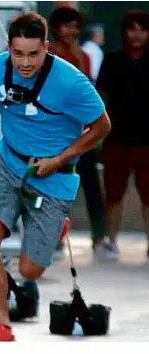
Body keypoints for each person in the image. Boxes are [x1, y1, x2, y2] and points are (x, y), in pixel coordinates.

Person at [0, 12, 111, 341]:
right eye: (18, 53)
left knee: (30, 270)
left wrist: (61, 157)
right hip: (7, 165)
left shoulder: (70, 81)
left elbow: (103, 125)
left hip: (54, 177)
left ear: (46, 47)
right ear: (9, 47)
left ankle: (48, 230)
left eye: (33, 53)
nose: (25, 62)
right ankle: (1, 326)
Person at [48, 7, 107, 256]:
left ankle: (99, 237)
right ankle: (54, 238)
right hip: (54, 132)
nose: (70, 31)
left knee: (92, 185)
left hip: (81, 131)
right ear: (56, 28)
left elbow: (89, 91)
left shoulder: (83, 55)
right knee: (55, 187)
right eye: (66, 26)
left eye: (74, 27)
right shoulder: (48, 52)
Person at [96, 10, 149, 260]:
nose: (137, 34)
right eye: (132, 29)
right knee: (113, 194)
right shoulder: (112, 60)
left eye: (142, 29)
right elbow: (101, 96)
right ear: (124, 32)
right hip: (116, 139)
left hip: (148, 142)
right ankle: (111, 241)